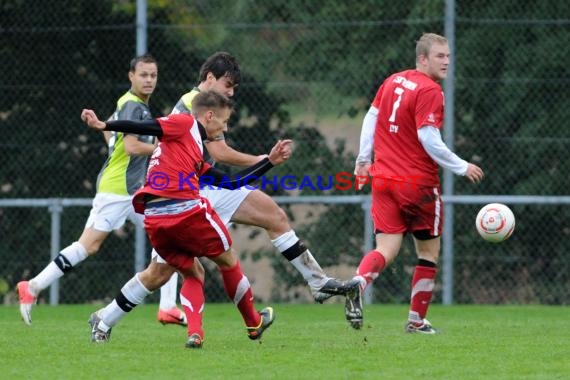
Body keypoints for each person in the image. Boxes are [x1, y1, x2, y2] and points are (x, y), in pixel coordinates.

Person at [83, 91, 290, 348]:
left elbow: (231, 183)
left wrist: (269, 162)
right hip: (183, 210)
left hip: (156, 219)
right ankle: (253, 323)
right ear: (210, 116)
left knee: (192, 271)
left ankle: (109, 325)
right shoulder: (185, 122)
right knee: (228, 260)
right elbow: (146, 126)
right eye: (224, 121)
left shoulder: (190, 149)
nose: (225, 127)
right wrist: (105, 125)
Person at [15, 54, 186, 327]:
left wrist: (112, 142)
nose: (149, 80)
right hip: (121, 189)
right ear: (131, 76)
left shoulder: (128, 103)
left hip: (130, 189)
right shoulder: (134, 106)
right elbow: (130, 146)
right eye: (143, 75)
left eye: (153, 75)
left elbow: (111, 132)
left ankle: (167, 306)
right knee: (89, 246)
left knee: (168, 238)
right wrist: (167, 149)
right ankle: (33, 286)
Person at [344, 33, 484, 333]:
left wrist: (362, 161)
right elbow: (428, 138)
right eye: (439, 56)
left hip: (383, 180)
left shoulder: (393, 81)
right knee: (428, 253)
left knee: (386, 248)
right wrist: (462, 166)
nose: (446, 61)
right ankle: (416, 320)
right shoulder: (431, 90)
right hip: (417, 185)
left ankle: (358, 283)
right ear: (422, 58)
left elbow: (371, 117)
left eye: (448, 55)